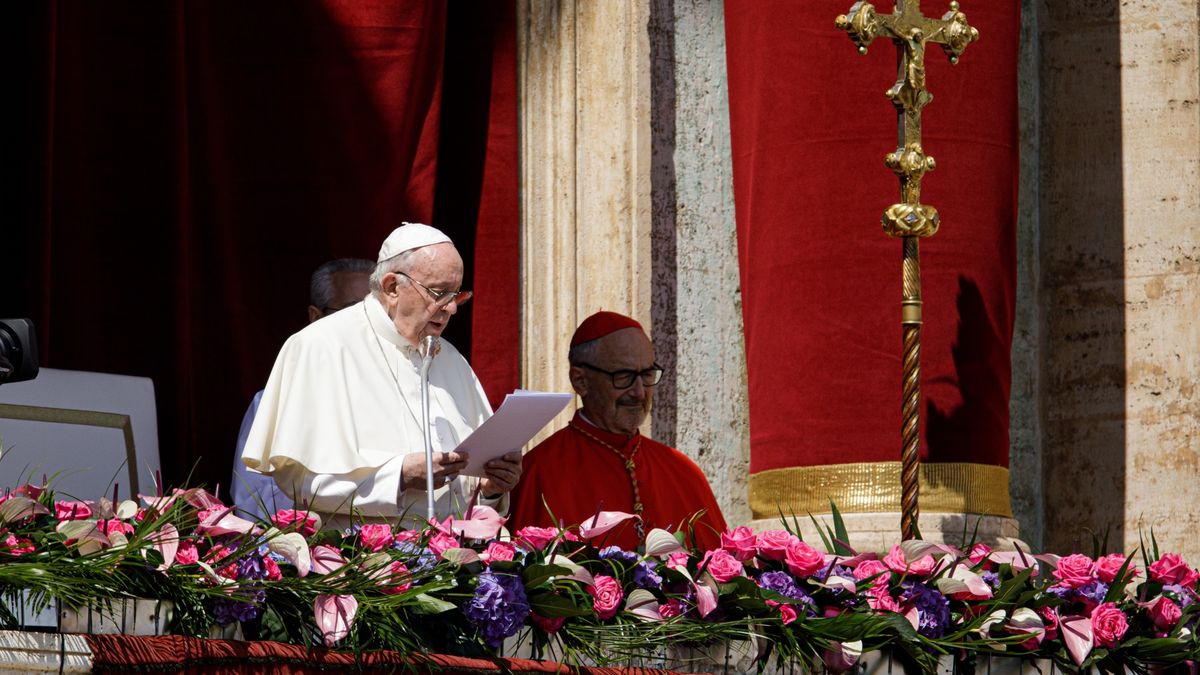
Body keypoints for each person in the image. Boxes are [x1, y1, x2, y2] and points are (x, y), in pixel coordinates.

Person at [240, 223, 522, 528]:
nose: (452, 308)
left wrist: (490, 490)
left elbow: (463, 496)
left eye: (457, 294)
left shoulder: (451, 359)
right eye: (439, 293)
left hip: (451, 562)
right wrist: (398, 476)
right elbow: (298, 480)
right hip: (360, 565)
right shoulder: (320, 346)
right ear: (391, 287)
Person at [508, 311, 727, 551]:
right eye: (624, 376)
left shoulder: (684, 472)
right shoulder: (539, 472)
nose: (640, 392)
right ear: (580, 380)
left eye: (646, 375)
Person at [229, 257, 373, 520]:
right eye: (354, 313)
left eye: (377, 313)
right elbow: (252, 508)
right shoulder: (277, 404)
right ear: (315, 317)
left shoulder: (400, 397)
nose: (368, 327)